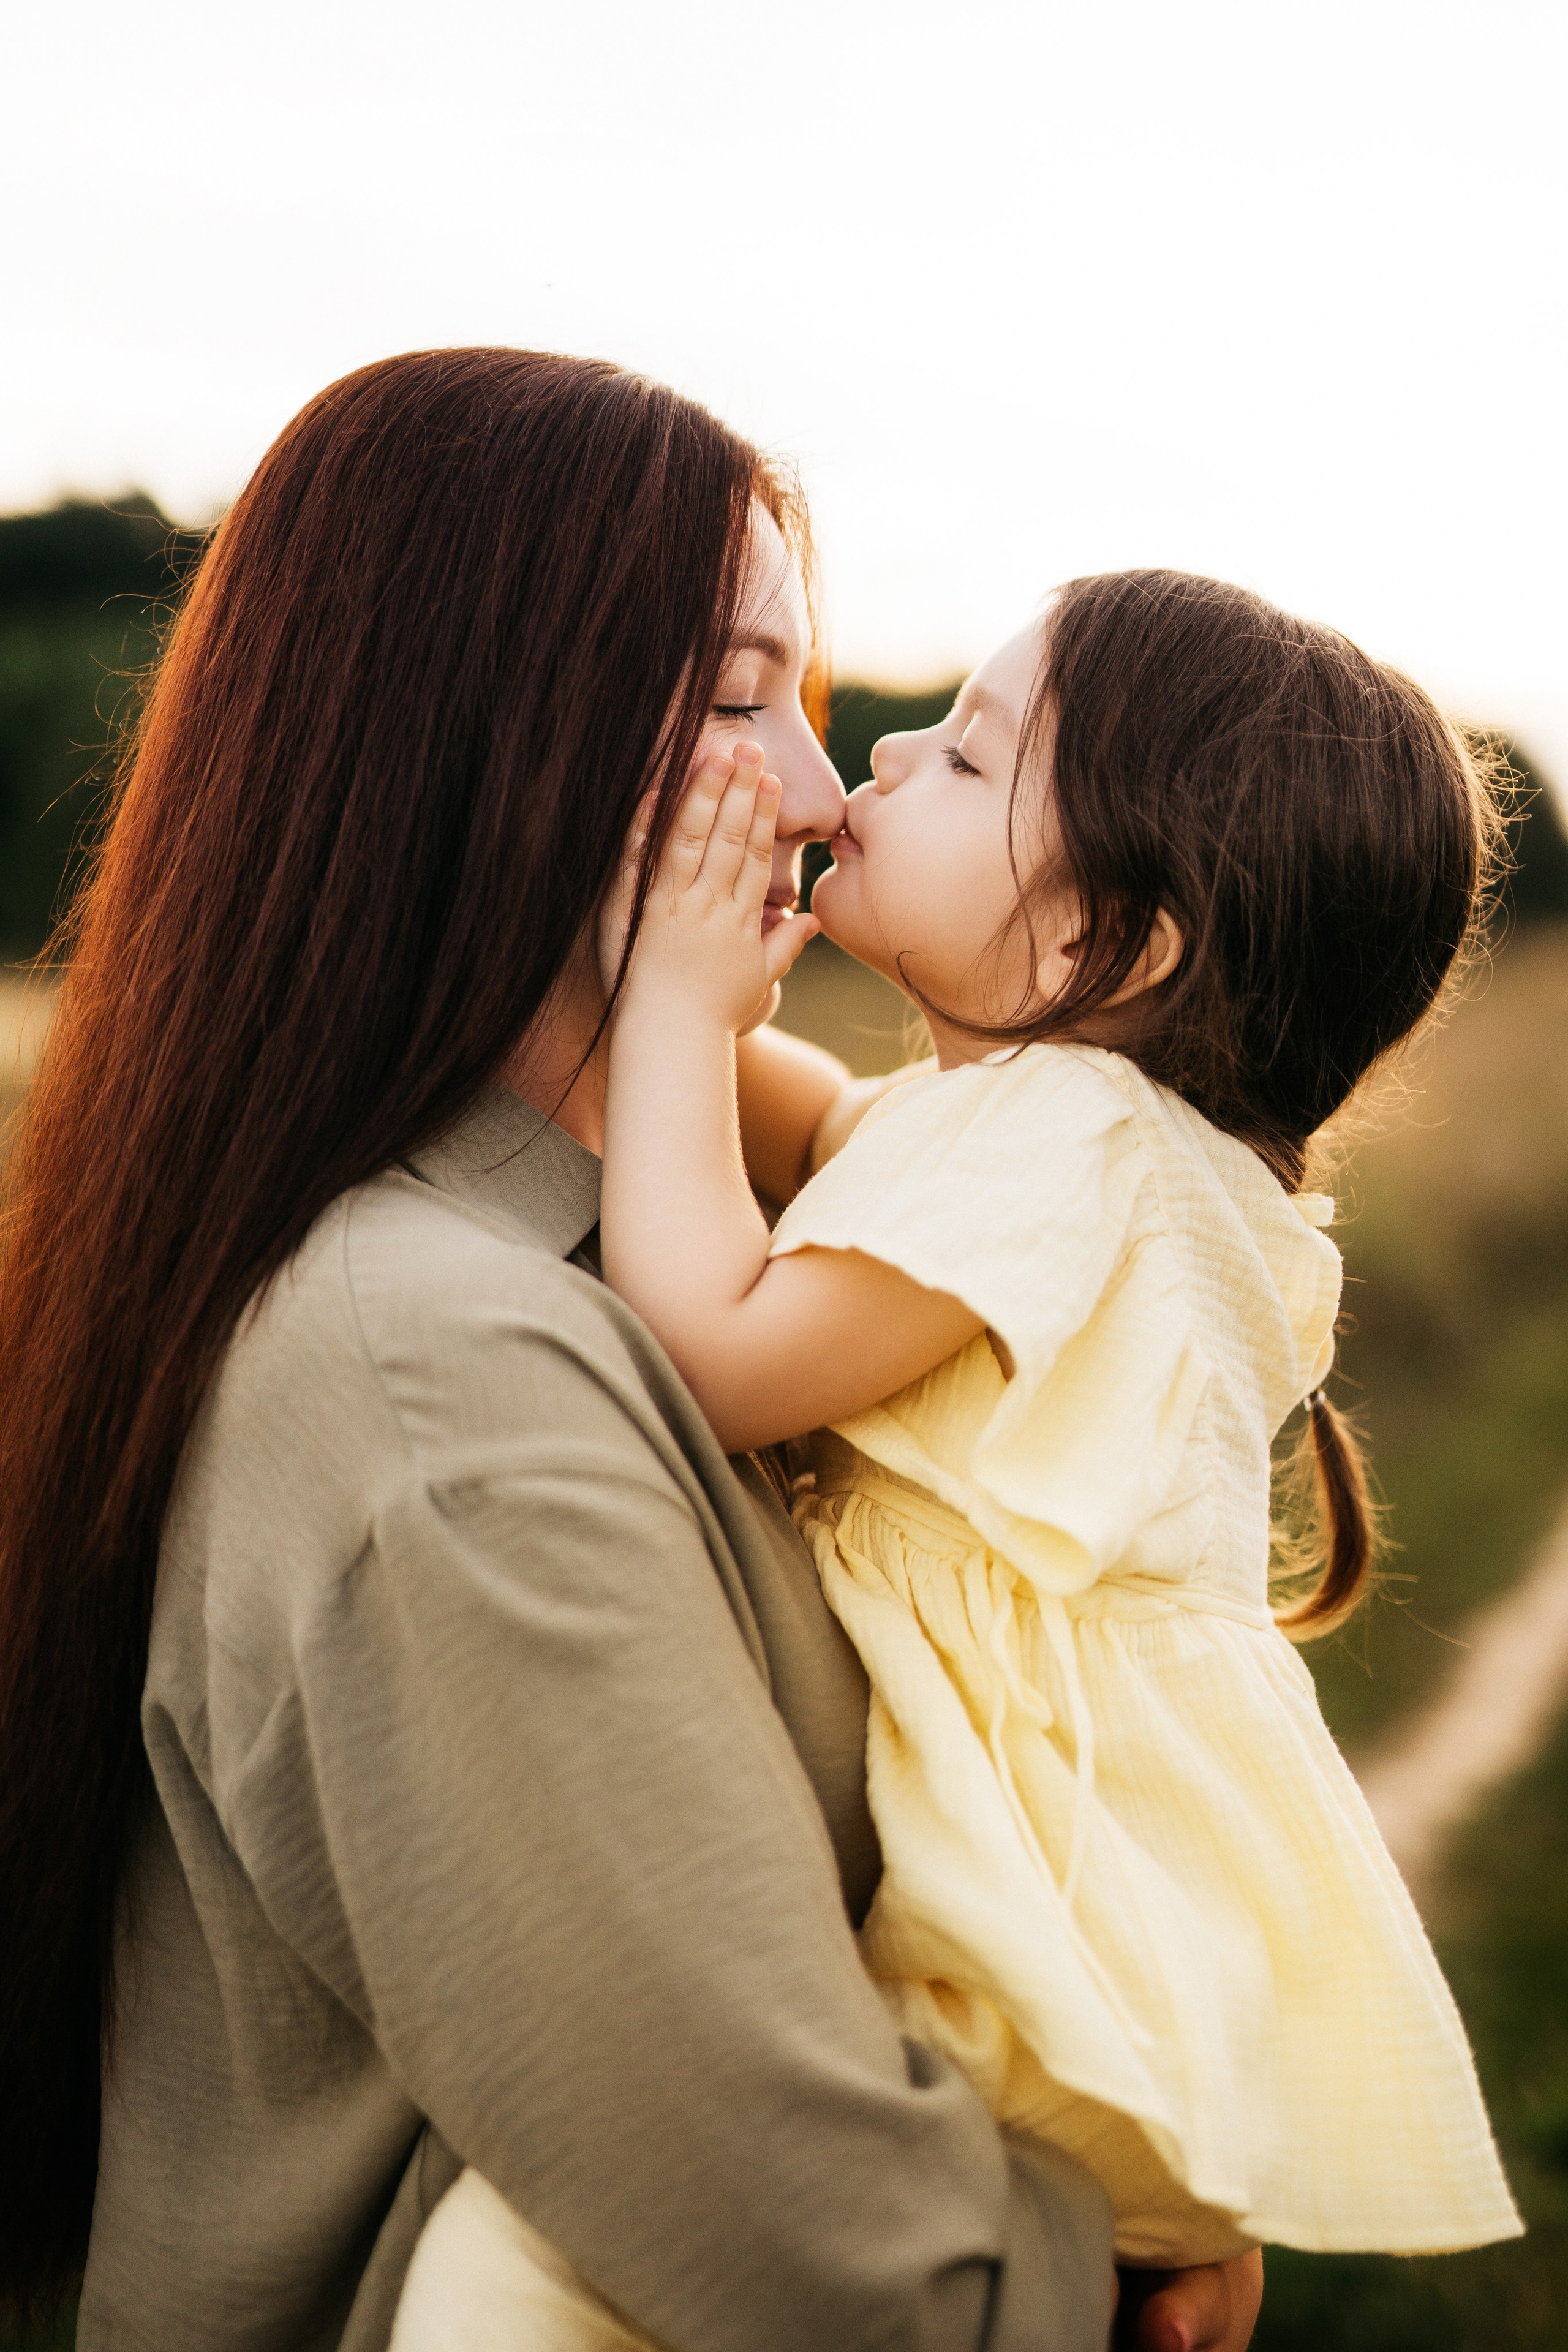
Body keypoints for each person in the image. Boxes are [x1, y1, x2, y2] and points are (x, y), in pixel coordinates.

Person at [0, 350, 1254, 2352]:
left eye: (815, 708)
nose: (831, 796)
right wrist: (1104, 2255)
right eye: (746, 696)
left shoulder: (598, 1246)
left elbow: (913, 1167)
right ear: (485, 738)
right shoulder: (444, 1379)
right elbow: (804, 2245)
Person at [417, 572, 1525, 2315]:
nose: (886, 744)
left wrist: (666, 1019)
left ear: (1121, 947)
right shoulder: (1068, 1136)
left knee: (521, 2267)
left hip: (1020, 1922)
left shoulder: (1066, 1142)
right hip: (1116, 1923)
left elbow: (709, 1351)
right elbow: (824, 1137)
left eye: (967, 755)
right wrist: (671, 997)